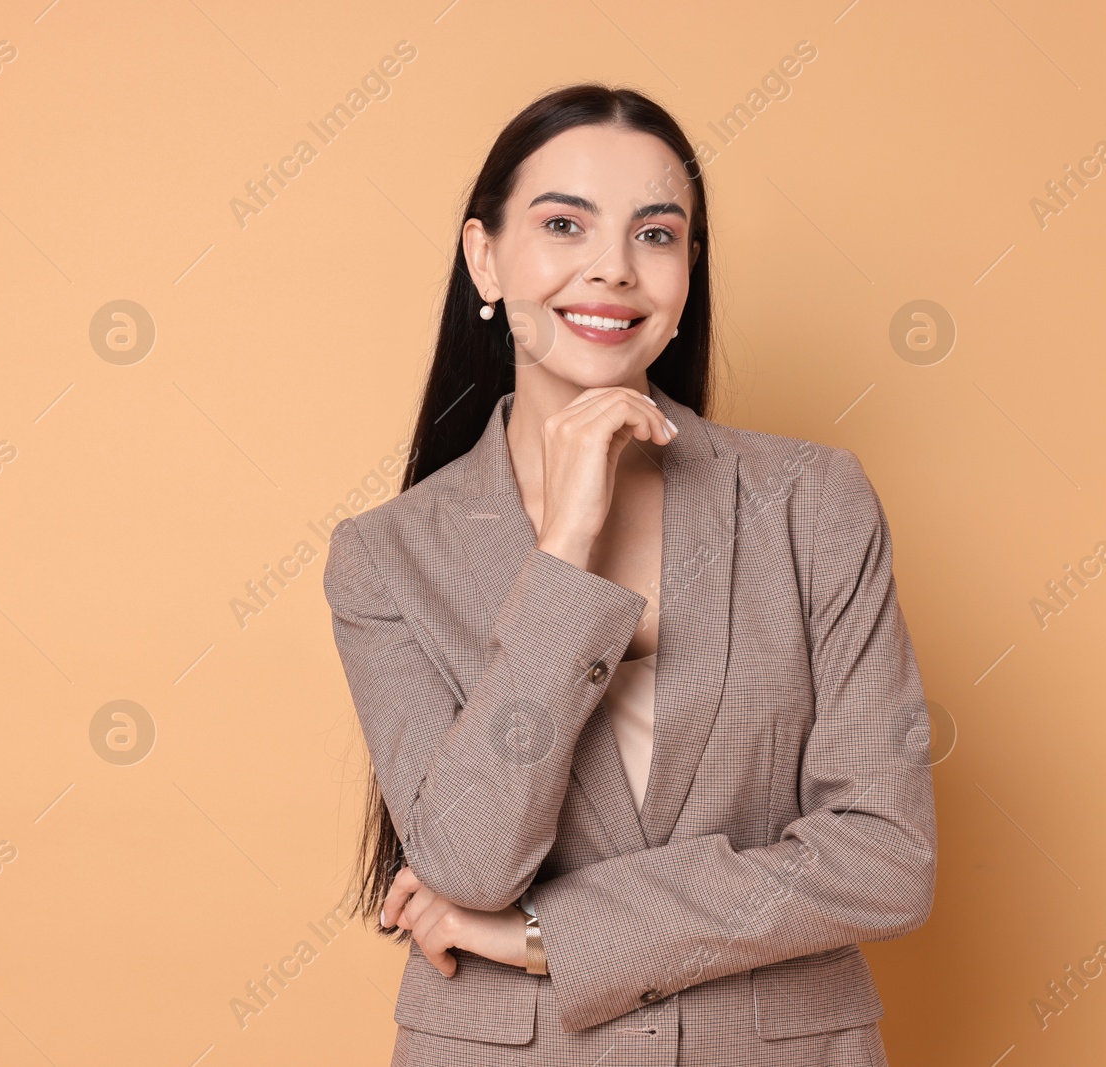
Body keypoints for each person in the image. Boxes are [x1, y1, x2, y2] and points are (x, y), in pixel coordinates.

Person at [321, 83, 937, 1066]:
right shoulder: (386, 555)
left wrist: (544, 935)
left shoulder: (811, 502)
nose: (612, 269)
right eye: (563, 223)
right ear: (485, 256)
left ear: (687, 271)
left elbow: (884, 857)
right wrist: (566, 545)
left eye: (656, 235)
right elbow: (471, 863)